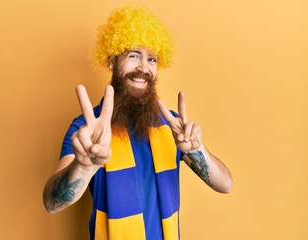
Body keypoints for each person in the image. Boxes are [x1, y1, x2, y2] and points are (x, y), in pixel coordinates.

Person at [43, 5, 232, 240]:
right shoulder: (87, 129)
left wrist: (197, 150)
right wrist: (83, 167)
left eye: (151, 59)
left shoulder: (173, 127)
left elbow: (225, 184)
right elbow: (52, 203)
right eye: (133, 56)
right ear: (112, 60)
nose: (143, 68)